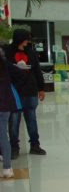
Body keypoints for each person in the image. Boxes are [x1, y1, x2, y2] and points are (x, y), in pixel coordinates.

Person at [4, 29, 46, 159]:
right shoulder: (7, 52)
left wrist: (41, 88)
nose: (27, 42)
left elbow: (37, 71)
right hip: (15, 91)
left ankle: (35, 145)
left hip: (30, 90)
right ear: (19, 39)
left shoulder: (31, 52)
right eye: (26, 39)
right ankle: (14, 147)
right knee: (14, 121)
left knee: (31, 119)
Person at [0, 52, 24, 178]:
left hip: (4, 105)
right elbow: (20, 73)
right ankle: (7, 167)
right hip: (6, 104)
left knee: (2, 135)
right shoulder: (5, 64)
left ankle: (6, 165)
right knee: (3, 135)